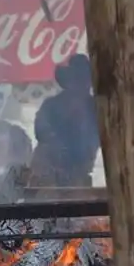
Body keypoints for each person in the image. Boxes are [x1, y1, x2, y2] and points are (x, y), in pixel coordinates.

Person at [30, 54, 99, 187]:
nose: (81, 84)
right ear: (68, 81)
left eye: (84, 79)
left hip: (78, 175)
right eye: (77, 79)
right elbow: (41, 132)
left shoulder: (94, 109)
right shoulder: (51, 105)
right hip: (46, 174)